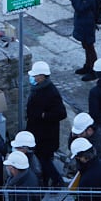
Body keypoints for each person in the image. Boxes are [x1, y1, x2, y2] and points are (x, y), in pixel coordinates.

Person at [25, 61, 67, 189]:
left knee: (45, 160)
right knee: (44, 160)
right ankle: (47, 182)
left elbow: (61, 113)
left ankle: (56, 180)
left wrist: (43, 115)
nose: (33, 78)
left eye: (35, 75)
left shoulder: (51, 92)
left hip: (46, 134)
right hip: (39, 132)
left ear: (42, 76)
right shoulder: (38, 88)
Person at [64, 0, 101, 81]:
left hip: (88, 25)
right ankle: (87, 66)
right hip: (82, 24)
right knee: (86, 46)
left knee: (90, 48)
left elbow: (80, 7)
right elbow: (75, 0)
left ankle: (94, 70)